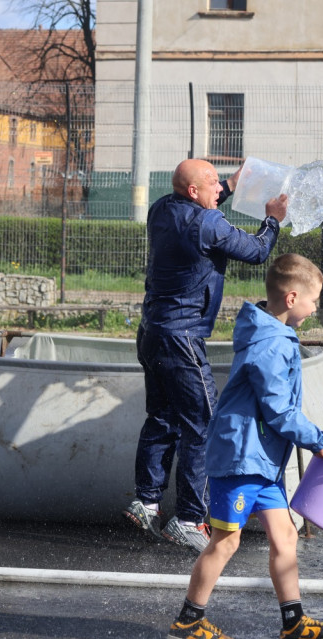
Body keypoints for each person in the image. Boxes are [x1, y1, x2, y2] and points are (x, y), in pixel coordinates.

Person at [167, 253, 323, 639]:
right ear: (291, 298)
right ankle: (188, 620)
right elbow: (278, 409)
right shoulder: (271, 345)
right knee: (225, 542)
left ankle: (294, 624)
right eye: (314, 299)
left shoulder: (273, 335)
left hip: (261, 460)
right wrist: (317, 438)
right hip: (240, 459)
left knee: (286, 535)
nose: (317, 307)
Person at [124, 158, 286, 552]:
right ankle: (189, 518)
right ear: (193, 192)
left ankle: (146, 501)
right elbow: (256, 251)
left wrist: (231, 183)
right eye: (212, 184)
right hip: (182, 338)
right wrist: (273, 220)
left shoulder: (162, 208)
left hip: (152, 332)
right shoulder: (208, 224)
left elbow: (205, 198)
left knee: (162, 417)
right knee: (204, 425)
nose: (219, 189)